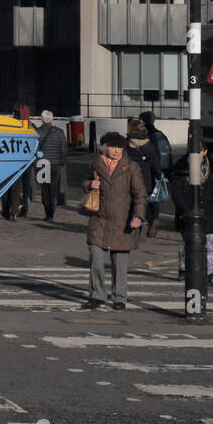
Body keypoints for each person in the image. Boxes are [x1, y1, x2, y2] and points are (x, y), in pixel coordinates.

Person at [82, 131, 147, 310]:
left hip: (122, 222)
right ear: (105, 147)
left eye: (120, 147)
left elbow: (140, 194)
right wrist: (89, 185)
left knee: (120, 262)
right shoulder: (95, 163)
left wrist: (138, 216)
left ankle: (119, 297)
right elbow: (85, 182)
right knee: (96, 257)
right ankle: (97, 295)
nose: (117, 151)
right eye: (113, 147)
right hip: (99, 220)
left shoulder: (131, 167)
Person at [170, 140, 213, 286]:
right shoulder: (180, 168)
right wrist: (186, 209)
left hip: (207, 211)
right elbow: (176, 192)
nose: (196, 154)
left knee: (209, 243)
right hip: (186, 211)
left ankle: (209, 272)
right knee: (187, 241)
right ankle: (183, 269)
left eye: (200, 150)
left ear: (205, 152)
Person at [140, 111, 173, 234]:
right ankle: (155, 219)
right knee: (155, 195)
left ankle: (148, 221)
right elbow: (168, 154)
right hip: (160, 170)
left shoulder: (145, 136)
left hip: (147, 169)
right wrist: (168, 172)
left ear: (142, 121)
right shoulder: (160, 135)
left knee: (145, 195)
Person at [125, 118, 159, 236]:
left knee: (133, 200)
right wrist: (159, 176)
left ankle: (135, 223)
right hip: (146, 176)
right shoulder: (149, 144)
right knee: (147, 200)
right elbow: (155, 163)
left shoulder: (127, 144)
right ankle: (150, 220)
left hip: (130, 176)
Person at [37, 110, 68, 220]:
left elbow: (34, 149)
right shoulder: (59, 132)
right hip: (56, 164)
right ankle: (52, 211)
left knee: (44, 188)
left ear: (42, 119)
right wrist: (62, 162)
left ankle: (47, 212)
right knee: (53, 188)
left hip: (42, 163)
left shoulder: (37, 132)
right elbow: (63, 149)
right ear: (52, 119)